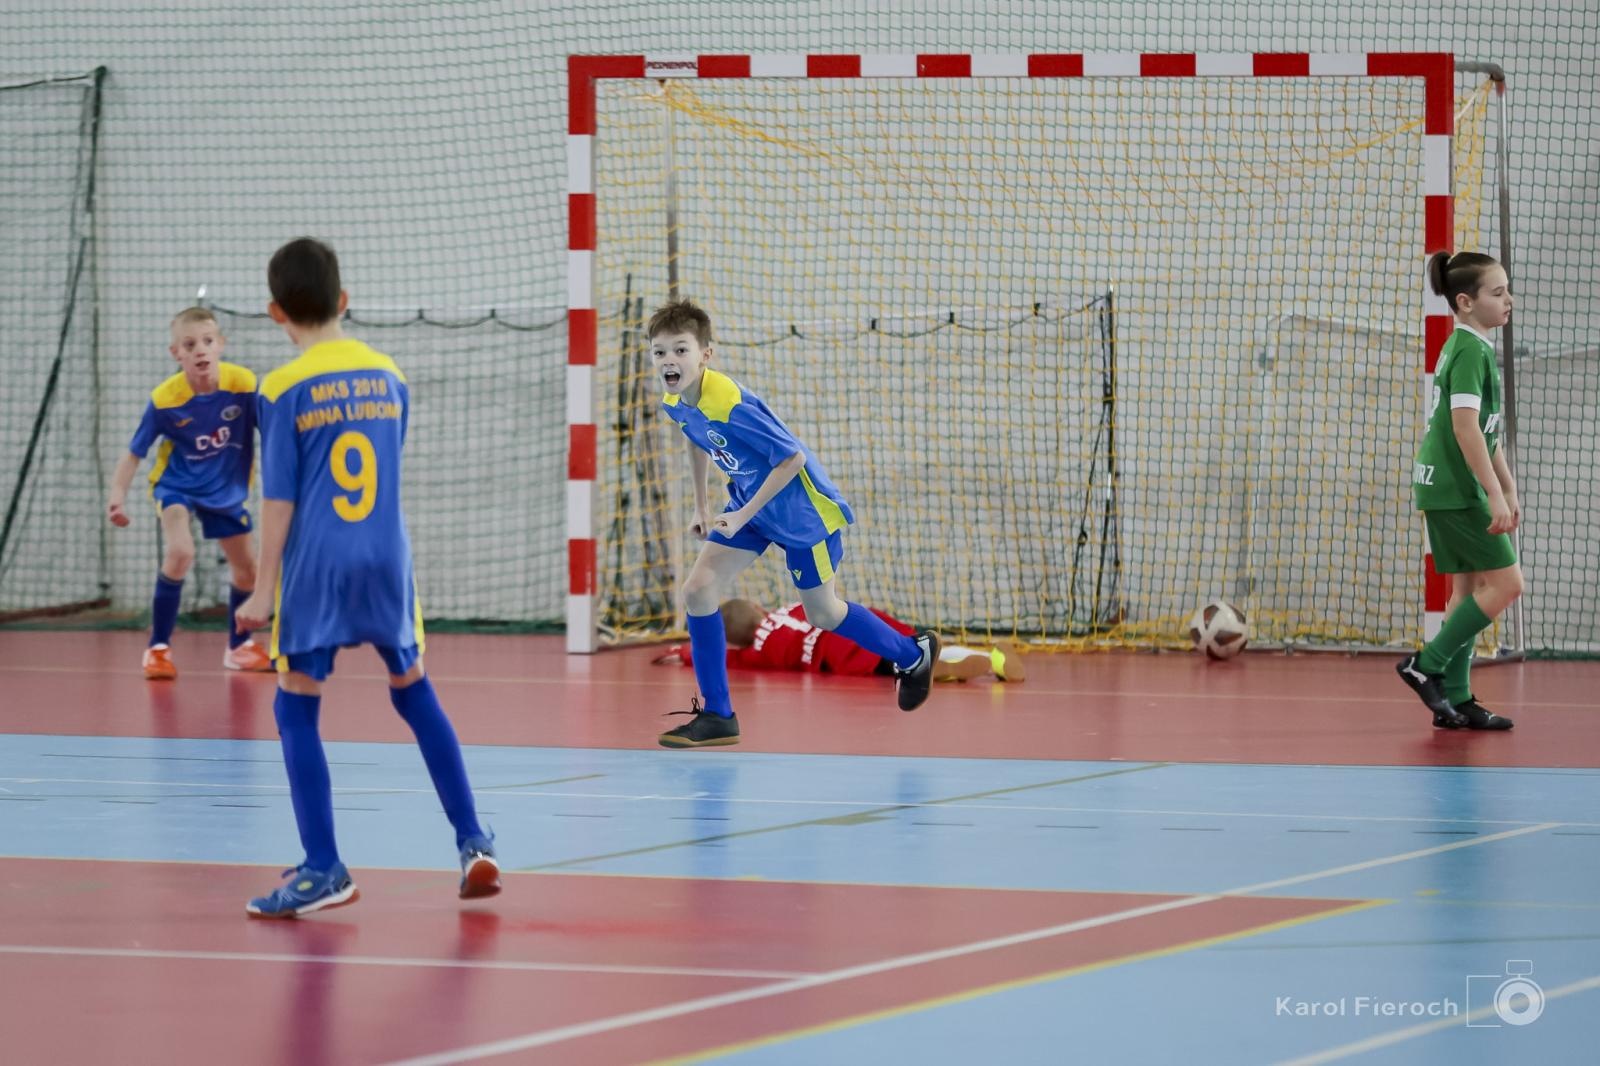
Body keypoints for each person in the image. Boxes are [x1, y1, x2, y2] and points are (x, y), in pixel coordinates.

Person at [234, 237, 499, 917]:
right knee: (411, 689)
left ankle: (323, 868)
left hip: (318, 565)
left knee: (295, 703)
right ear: (344, 300)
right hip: (387, 559)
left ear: (275, 313)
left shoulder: (281, 387)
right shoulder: (390, 375)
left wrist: (263, 588)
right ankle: (473, 840)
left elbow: (281, 497)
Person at [648, 298, 940, 749]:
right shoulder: (674, 400)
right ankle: (718, 715)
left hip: (803, 515)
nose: (670, 360)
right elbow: (696, 439)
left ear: (705, 354)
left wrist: (742, 513)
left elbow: (790, 459)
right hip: (752, 505)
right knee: (698, 589)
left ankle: (912, 652)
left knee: (823, 613)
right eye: (661, 352)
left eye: (681, 350)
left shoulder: (729, 401)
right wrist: (701, 507)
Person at [105, 308, 272, 678]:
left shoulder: (243, 385)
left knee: (248, 570)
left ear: (221, 345)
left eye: (208, 342)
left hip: (225, 489)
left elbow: (273, 433)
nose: (200, 350)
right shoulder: (166, 399)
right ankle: (158, 649)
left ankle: (239, 646)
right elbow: (134, 452)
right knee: (181, 552)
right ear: (176, 353)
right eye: (190, 344)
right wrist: (118, 496)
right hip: (176, 485)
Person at [1397, 251, 1521, 730]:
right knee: (1508, 584)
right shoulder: (1469, 350)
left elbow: (1485, 435)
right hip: (1455, 485)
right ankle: (1425, 665)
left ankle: (1457, 697)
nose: (1508, 299)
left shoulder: (1473, 345)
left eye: (1507, 289)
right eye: (1497, 292)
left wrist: (1506, 486)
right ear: (1465, 302)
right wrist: (1492, 493)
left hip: (1446, 483)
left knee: (1467, 588)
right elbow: (1465, 429)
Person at [655, 598, 1027, 683]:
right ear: (757, 606)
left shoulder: (755, 653)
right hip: (860, 626)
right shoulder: (793, 605)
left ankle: (980, 663)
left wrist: (684, 652)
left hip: (846, 653)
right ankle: (980, 654)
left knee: (913, 667)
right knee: (910, 643)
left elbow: (722, 659)